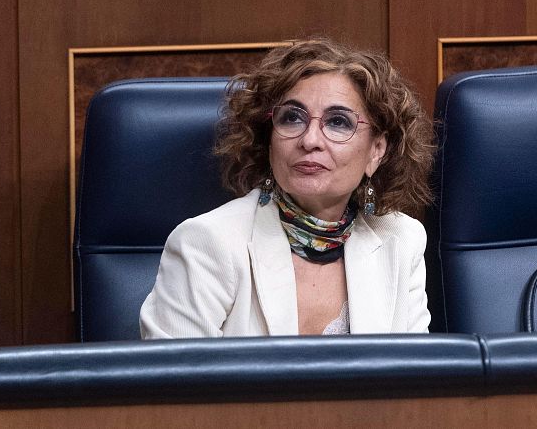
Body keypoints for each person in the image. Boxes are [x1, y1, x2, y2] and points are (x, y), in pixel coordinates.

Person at [140, 38, 436, 338]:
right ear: (269, 142)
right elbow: (175, 382)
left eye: (337, 122)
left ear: (376, 151)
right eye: (292, 118)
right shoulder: (206, 245)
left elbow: (416, 378)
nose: (309, 140)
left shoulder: (401, 240)